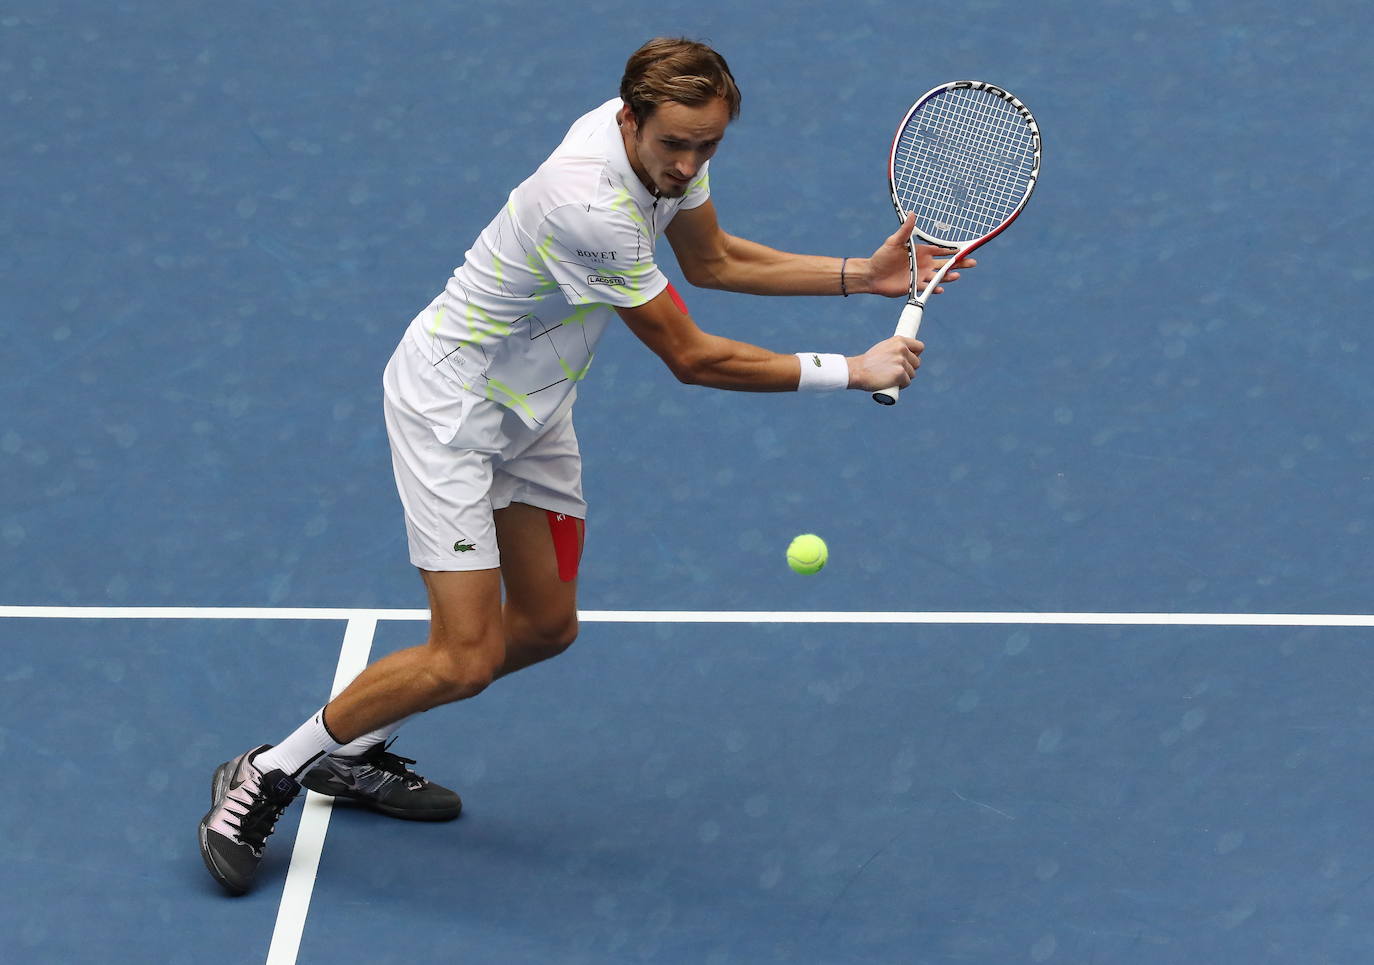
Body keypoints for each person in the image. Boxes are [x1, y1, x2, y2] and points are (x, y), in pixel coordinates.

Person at [198, 36, 973, 895]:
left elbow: (713, 260)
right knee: (463, 656)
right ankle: (270, 769)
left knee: (543, 628)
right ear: (629, 119)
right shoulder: (589, 205)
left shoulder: (669, 149)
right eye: (675, 145)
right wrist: (850, 369)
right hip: (450, 410)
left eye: (708, 145)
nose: (689, 165)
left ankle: (354, 746)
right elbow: (692, 357)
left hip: (535, 409)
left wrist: (861, 274)